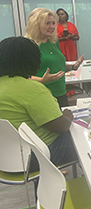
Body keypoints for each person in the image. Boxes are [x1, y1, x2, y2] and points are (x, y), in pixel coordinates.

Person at [0, 37, 77, 171]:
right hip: (36, 157)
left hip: (6, 158)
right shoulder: (31, 89)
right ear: (34, 60)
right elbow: (60, 126)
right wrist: (67, 115)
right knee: (83, 137)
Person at [26, 8, 84, 107]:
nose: (52, 27)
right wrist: (41, 80)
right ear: (36, 24)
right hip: (41, 95)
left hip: (60, 92)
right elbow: (21, 76)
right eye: (47, 23)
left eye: (53, 23)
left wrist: (73, 67)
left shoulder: (53, 42)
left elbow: (57, 66)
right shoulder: (28, 45)